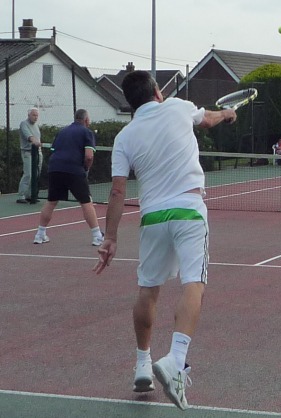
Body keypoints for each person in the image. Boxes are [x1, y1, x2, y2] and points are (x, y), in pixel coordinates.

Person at [92, 70, 237, 410]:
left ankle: (143, 364)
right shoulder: (178, 107)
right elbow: (210, 119)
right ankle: (175, 359)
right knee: (193, 283)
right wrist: (228, 114)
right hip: (188, 211)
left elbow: (117, 189)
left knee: (148, 289)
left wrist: (109, 237)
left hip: (152, 218)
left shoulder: (125, 137)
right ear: (157, 91)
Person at [33, 109, 104, 246]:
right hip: (74, 170)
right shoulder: (87, 132)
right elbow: (89, 156)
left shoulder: (62, 132)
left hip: (55, 168)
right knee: (86, 201)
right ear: (86, 120)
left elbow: (53, 151)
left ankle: (39, 234)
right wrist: (86, 168)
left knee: (51, 201)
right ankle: (97, 236)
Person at [17, 108, 42, 203]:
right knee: (28, 173)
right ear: (29, 115)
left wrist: (39, 145)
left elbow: (38, 139)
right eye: (34, 115)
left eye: (37, 115)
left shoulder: (36, 126)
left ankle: (31, 195)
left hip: (38, 153)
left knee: (36, 174)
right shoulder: (24, 124)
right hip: (27, 152)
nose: (35, 117)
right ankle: (22, 195)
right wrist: (34, 141)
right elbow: (29, 136)